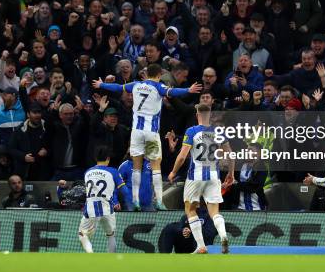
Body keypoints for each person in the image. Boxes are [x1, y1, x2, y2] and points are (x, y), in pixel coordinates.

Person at [93, 63, 202, 211]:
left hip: (136, 133)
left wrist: (102, 84)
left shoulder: (136, 85)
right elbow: (173, 92)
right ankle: (159, 201)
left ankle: (136, 200)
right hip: (151, 133)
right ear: (158, 75)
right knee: (156, 166)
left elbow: (118, 87)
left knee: (136, 167)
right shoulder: (157, 87)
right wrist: (188, 90)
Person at [167, 104, 234, 254]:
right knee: (214, 212)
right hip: (213, 175)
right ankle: (223, 236)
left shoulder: (191, 131)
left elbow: (183, 156)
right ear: (210, 114)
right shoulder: (219, 131)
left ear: (197, 114)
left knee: (190, 209)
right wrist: (231, 173)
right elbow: (230, 154)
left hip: (195, 176)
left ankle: (201, 246)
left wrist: (173, 172)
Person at [78, 145, 131, 253]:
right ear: (108, 158)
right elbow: (125, 191)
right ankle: (111, 261)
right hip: (108, 209)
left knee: (82, 234)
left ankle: (91, 254)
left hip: (91, 209)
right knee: (111, 235)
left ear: (95, 158)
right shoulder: (113, 172)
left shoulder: (87, 172)